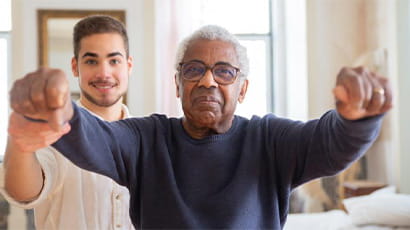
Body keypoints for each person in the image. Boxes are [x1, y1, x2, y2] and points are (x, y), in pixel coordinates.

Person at [7, 25, 392, 229]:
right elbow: (97, 138)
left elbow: (329, 142)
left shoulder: (269, 141)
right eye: (194, 70)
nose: (208, 81)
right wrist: (60, 110)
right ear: (177, 84)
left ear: (242, 89)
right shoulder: (147, 139)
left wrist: (358, 118)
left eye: (224, 71)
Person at [1, 15, 135, 229]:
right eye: (91, 61)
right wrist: (20, 144)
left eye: (114, 60)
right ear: (75, 67)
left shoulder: (146, 137)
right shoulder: (51, 129)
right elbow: (22, 193)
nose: (103, 73)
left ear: (128, 65)